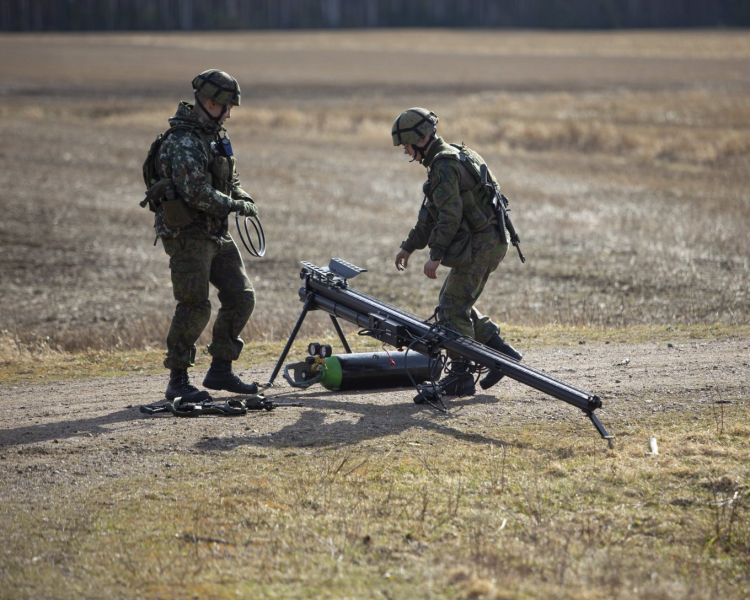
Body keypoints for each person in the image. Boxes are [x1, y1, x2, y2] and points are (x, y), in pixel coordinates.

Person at [392, 107, 522, 397]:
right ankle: (501, 352)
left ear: (419, 140)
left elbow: (449, 216)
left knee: (452, 305)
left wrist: (435, 256)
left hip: (484, 243)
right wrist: (408, 246)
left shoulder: (444, 165)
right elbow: (430, 214)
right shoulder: (452, 155)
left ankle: (461, 376)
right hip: (488, 240)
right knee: (453, 301)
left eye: (406, 146)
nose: (406, 152)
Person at [147, 69, 260, 403]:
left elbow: (230, 178)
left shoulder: (212, 136)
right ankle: (178, 380)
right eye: (226, 107)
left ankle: (220, 370)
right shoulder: (182, 142)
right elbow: (196, 193)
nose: (228, 114)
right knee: (195, 306)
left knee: (241, 296)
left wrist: (244, 196)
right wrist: (234, 206)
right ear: (209, 102)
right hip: (187, 236)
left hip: (214, 233)